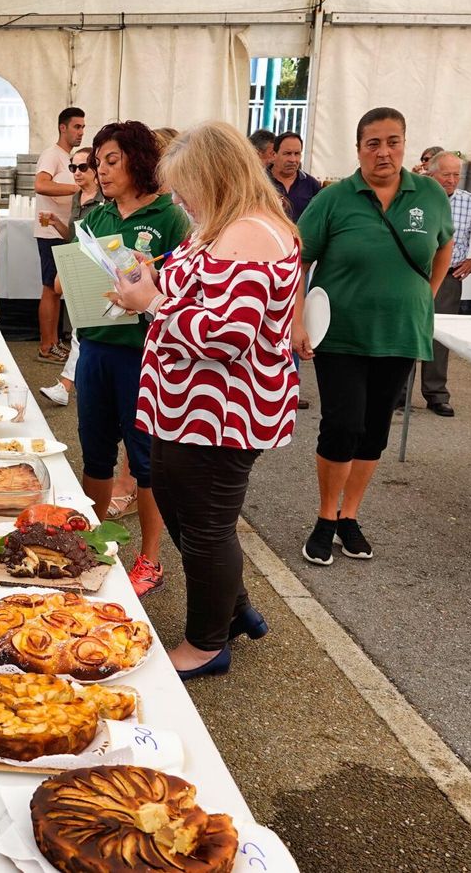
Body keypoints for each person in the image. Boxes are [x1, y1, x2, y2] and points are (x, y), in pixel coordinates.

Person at [112, 121, 300, 680]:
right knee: (181, 510)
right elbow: (189, 288)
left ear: (214, 178)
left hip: (222, 412)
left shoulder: (251, 235)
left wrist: (151, 303)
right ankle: (233, 609)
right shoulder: (220, 225)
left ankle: (206, 643)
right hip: (187, 406)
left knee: (206, 526)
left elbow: (228, 335)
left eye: (184, 185)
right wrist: (148, 282)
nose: (178, 198)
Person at [293, 107, 455, 566]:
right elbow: (297, 259)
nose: (384, 151)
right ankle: (325, 518)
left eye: (393, 141)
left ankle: (350, 516)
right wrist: (296, 320)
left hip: (401, 331)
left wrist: (427, 293)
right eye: (373, 143)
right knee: (342, 425)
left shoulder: (428, 194)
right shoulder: (335, 199)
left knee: (375, 430)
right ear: (359, 148)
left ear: (405, 144)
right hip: (341, 332)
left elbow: (444, 244)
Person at [67, 121, 191, 594]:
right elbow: (72, 281)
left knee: (146, 461)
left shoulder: (168, 218)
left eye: (111, 160)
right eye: (98, 162)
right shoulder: (96, 219)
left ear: (139, 160)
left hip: (142, 353)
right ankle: (96, 546)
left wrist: (148, 288)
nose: (101, 170)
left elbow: (182, 286)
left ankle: (150, 559)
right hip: (95, 348)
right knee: (95, 453)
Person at [420, 151, 471, 416]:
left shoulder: (469, 202)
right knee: (405, 329)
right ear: (431, 174)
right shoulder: (416, 196)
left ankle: (436, 394)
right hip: (414, 275)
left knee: (440, 335)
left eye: (456, 174)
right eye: (446, 174)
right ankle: (397, 392)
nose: (452, 180)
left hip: (449, 278)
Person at [39, 146, 102, 408]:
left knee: (80, 331)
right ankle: (69, 386)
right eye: (73, 168)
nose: (76, 173)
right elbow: (73, 237)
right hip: (77, 264)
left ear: (96, 171)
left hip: (93, 269)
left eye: (82, 167)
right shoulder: (78, 198)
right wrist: (55, 223)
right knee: (80, 331)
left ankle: (66, 386)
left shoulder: (104, 201)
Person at [34, 107, 86, 363]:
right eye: (77, 127)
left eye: (83, 127)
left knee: (58, 290)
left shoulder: (70, 156)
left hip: (65, 230)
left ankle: (54, 342)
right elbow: (40, 184)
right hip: (50, 230)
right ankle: (47, 345)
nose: (81, 132)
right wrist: (77, 188)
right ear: (62, 127)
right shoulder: (51, 155)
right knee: (50, 288)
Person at [268, 131, 322, 222]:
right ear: (274, 155)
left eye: (297, 154)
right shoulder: (258, 182)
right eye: (287, 153)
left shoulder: (312, 185)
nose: (293, 160)